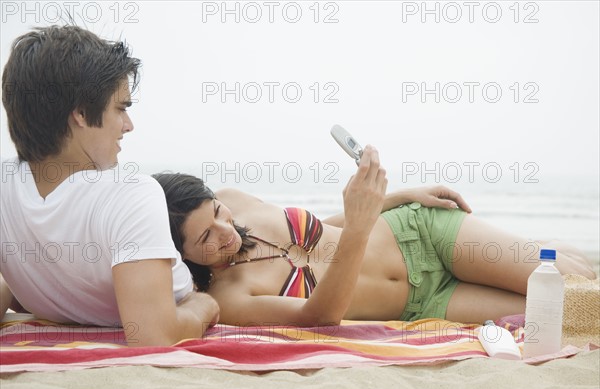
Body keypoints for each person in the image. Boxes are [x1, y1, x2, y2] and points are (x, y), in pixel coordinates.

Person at [153, 147, 596, 327]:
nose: (225, 231)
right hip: (422, 303)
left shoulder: (234, 197)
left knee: (568, 277)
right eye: (205, 238)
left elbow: (325, 229)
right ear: (183, 257)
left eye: (217, 214)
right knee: (565, 313)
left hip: (419, 234)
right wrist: (360, 227)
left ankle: (559, 252)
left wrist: (398, 198)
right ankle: (554, 250)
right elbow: (318, 316)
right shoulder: (228, 298)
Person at [0, 25, 219, 346]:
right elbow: (154, 338)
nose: (128, 126)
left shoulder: (7, 188)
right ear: (81, 114)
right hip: (199, 281)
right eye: (121, 108)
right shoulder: (130, 194)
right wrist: (206, 305)